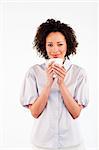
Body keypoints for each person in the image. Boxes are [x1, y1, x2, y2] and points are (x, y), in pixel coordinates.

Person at [20, 19, 89, 150]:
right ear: (43, 46)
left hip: (72, 143)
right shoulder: (34, 72)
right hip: (41, 144)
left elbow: (76, 113)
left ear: (67, 45)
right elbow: (35, 113)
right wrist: (48, 84)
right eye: (50, 45)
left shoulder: (79, 73)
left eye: (60, 44)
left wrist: (61, 84)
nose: (55, 50)